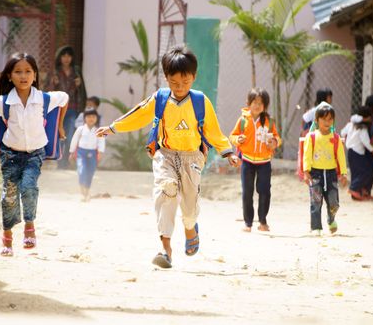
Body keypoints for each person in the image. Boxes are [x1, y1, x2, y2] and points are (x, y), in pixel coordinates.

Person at [96, 46, 240, 269]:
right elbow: (138, 114)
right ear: (166, 78)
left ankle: (190, 226)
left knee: (189, 205)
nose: (180, 87)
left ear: (194, 77)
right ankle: (166, 248)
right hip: (166, 154)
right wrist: (113, 128)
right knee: (167, 189)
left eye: (185, 82)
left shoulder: (200, 101)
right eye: (174, 82)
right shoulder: (160, 99)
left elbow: (213, 130)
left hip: (192, 157)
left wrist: (227, 151)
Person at [0, 52, 69, 256]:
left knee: (28, 187)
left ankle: (30, 226)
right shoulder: (3, 102)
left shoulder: (44, 99)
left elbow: (64, 98)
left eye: (28, 71)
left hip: (34, 154)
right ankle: (7, 238)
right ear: (10, 76)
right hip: (10, 155)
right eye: (18, 72)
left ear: (35, 75)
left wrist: (60, 126)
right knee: (9, 196)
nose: (23, 76)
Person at [229, 87, 281, 232]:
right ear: (249, 103)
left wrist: (274, 143)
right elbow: (232, 136)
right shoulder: (242, 121)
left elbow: (277, 138)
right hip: (247, 161)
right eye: (255, 102)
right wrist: (238, 139)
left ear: (265, 106)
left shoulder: (269, 122)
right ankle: (248, 223)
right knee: (247, 192)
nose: (257, 105)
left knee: (264, 191)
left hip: (264, 162)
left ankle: (263, 221)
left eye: (261, 103)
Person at [302, 102, 348, 236]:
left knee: (334, 202)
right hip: (315, 174)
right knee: (316, 201)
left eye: (330, 119)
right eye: (324, 119)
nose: (327, 122)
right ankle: (316, 227)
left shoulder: (336, 138)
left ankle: (331, 218)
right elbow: (307, 155)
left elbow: (341, 156)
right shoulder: (311, 137)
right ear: (316, 120)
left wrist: (344, 173)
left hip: (331, 174)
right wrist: (306, 172)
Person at [46, 46, 87, 169]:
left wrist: (79, 85)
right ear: (60, 57)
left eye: (69, 56)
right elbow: (46, 91)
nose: (66, 58)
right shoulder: (54, 71)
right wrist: (53, 83)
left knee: (69, 136)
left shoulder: (76, 71)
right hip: (58, 109)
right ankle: (60, 163)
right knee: (58, 135)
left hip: (73, 108)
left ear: (72, 58)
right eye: (64, 55)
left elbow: (83, 91)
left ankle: (65, 161)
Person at [69, 109, 106, 202]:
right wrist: (72, 152)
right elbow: (74, 140)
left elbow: (101, 142)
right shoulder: (80, 129)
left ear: (97, 118)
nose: (91, 119)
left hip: (93, 153)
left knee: (90, 172)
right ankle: (82, 192)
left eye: (93, 117)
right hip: (81, 153)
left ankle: (87, 191)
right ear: (85, 118)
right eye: (89, 116)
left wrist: (100, 153)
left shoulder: (99, 130)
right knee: (82, 170)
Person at [341, 106, 373, 200]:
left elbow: (342, 132)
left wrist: (346, 139)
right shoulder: (363, 128)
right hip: (358, 153)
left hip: (350, 152)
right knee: (365, 171)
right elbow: (365, 141)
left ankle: (360, 191)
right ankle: (353, 188)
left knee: (356, 172)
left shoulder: (351, 125)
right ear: (366, 118)